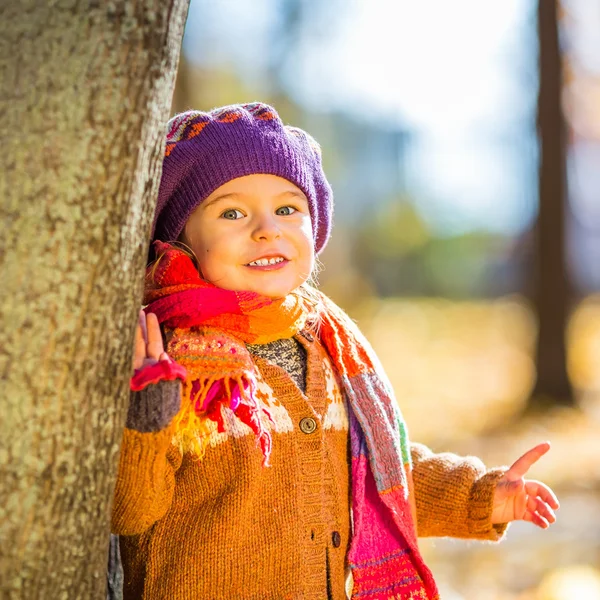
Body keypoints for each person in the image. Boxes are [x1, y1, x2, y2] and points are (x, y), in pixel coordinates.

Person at [111, 103, 559, 600]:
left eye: (287, 209)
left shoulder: (330, 347)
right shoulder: (172, 355)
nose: (267, 229)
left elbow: (384, 475)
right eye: (232, 212)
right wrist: (145, 415)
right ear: (181, 238)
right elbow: (130, 512)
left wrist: (483, 496)